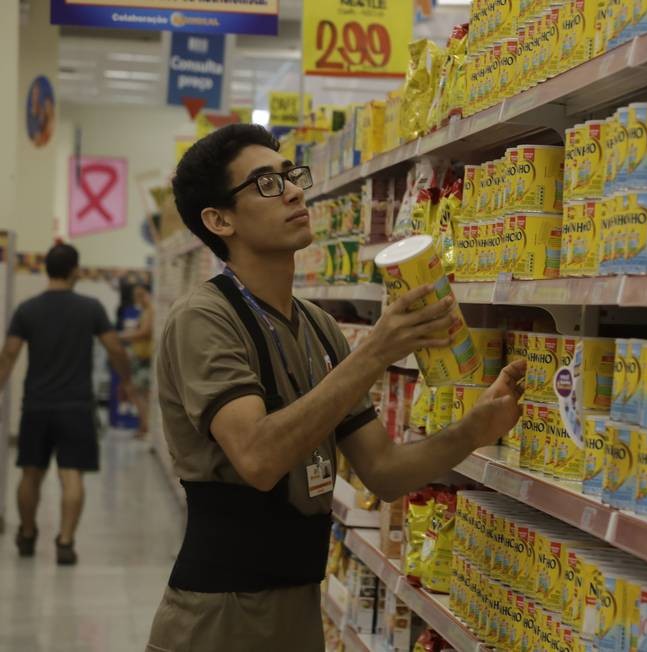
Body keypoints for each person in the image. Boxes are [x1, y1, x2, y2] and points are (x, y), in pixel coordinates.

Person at [146, 124, 525, 652]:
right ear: (219, 220)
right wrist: (375, 352)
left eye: (289, 176)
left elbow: (385, 473)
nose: (295, 191)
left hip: (299, 608)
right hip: (221, 616)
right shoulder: (203, 319)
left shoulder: (318, 327)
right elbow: (256, 457)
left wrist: (475, 429)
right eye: (265, 184)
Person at [0, 243, 134, 565]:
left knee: (30, 473)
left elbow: (9, 355)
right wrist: (126, 380)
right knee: (71, 475)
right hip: (76, 406)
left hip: (36, 406)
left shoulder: (27, 309)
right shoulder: (90, 308)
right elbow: (115, 348)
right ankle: (65, 542)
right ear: (74, 269)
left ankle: (28, 534)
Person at [119, 284, 154, 439]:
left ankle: (145, 426)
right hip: (139, 357)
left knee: (141, 394)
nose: (137, 299)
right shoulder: (145, 311)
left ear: (147, 294)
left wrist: (123, 336)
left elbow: (145, 332)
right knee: (134, 391)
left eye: (140, 295)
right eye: (135, 295)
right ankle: (144, 425)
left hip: (145, 359)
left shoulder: (150, 310)